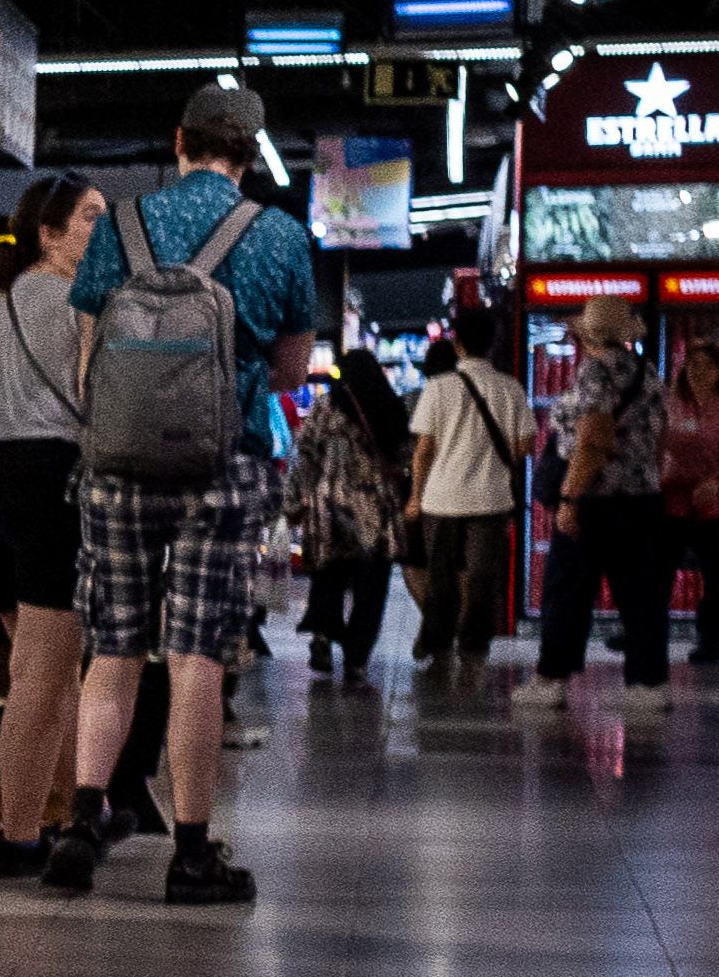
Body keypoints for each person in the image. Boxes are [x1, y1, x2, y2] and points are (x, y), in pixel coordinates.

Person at [41, 78, 316, 904]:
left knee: (113, 648)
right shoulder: (277, 236)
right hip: (220, 465)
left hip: (115, 466)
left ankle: (82, 825)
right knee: (196, 657)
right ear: (249, 153)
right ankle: (191, 851)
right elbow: (291, 372)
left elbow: (86, 358)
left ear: (179, 140)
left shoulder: (119, 228)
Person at [0, 174, 100, 876]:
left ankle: (80, 813)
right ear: (48, 234)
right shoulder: (81, 303)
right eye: (88, 217)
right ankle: (17, 838)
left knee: (47, 670)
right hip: (49, 482)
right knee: (42, 676)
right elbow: (91, 397)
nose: (98, 230)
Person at [536, 294, 677, 689]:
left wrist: (569, 497)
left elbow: (594, 436)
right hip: (642, 500)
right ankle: (647, 683)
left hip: (596, 502)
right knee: (642, 597)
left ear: (587, 335)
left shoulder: (595, 371)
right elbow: (661, 438)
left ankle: (552, 677)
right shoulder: (646, 371)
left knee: (567, 591)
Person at [405, 324, 525, 673]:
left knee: (441, 574)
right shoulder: (510, 388)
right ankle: (474, 642)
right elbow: (524, 446)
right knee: (480, 576)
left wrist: (415, 495)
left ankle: (437, 639)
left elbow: (424, 448)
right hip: (492, 499)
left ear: (458, 346)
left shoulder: (438, 388)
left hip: (441, 498)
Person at [289, 346, 411, 677]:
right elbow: (404, 460)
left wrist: (293, 502)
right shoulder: (392, 407)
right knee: (372, 588)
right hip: (376, 511)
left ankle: (323, 636)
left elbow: (305, 456)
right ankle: (357, 657)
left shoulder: (327, 408)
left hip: (331, 510)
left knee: (328, 576)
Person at [661, 334, 719, 668]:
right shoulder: (670, 400)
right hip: (670, 498)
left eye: (707, 365)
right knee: (658, 569)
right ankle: (647, 633)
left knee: (715, 574)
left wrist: (717, 480)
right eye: (693, 364)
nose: (698, 371)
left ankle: (711, 640)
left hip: (711, 501)